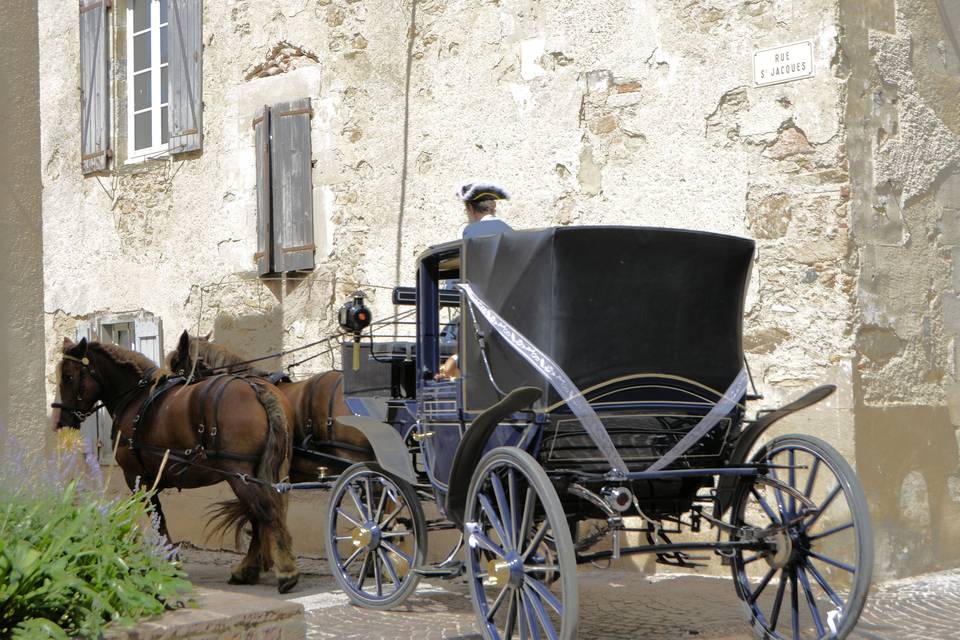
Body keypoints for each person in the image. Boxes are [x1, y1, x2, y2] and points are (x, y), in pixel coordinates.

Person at [435, 181, 512, 381]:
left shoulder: (471, 233)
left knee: (447, 336)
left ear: (470, 208)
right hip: (508, 313)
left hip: (480, 313)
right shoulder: (511, 232)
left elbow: (458, 274)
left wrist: (445, 296)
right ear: (493, 208)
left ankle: (444, 375)